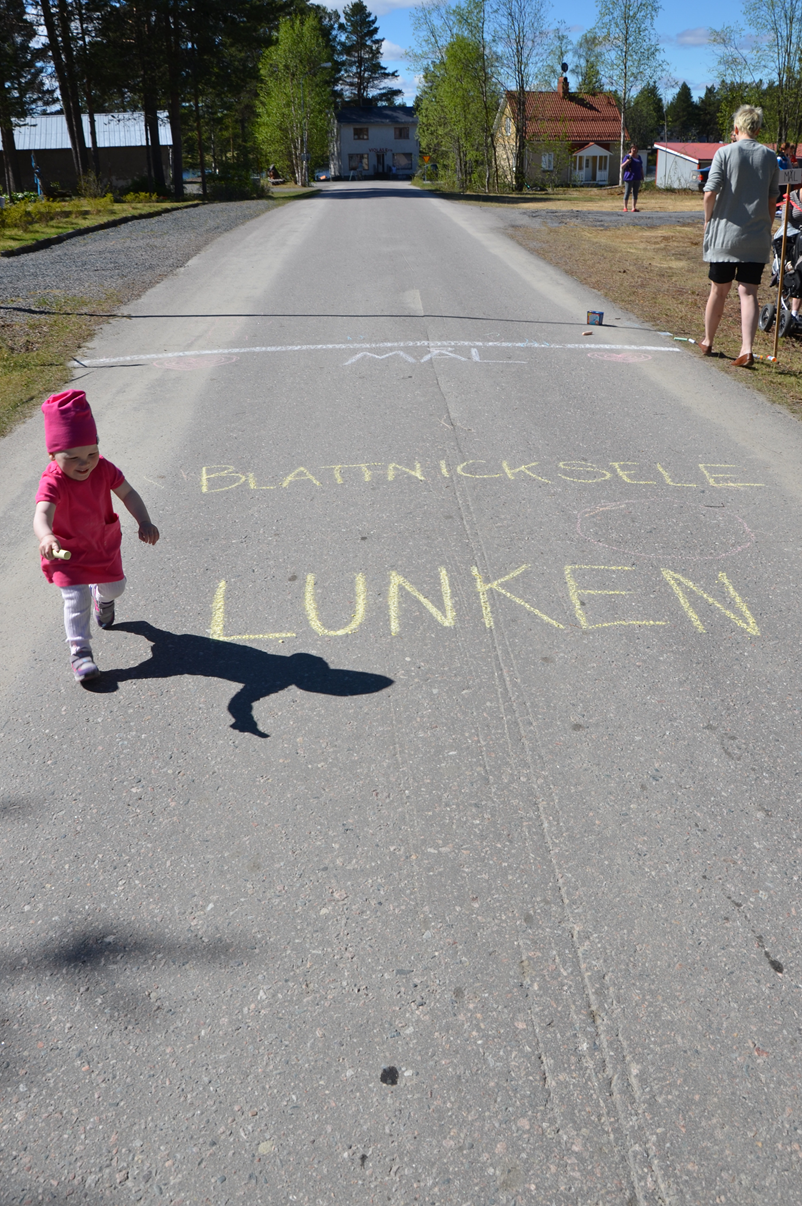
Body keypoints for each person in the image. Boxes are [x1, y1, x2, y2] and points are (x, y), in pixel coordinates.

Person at [33, 389, 160, 683]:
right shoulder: (53, 481)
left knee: (115, 588)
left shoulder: (103, 468)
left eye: (91, 453)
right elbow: (42, 513)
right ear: (53, 455)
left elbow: (128, 493)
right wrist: (46, 536)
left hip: (102, 545)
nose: (85, 463)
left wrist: (144, 520)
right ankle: (80, 654)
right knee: (75, 599)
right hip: (67, 552)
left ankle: (102, 599)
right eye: (73, 457)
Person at [700, 105, 780, 367]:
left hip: (725, 236)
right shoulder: (770, 157)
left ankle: (708, 341)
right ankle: (746, 349)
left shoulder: (724, 153)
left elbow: (710, 192)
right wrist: (766, 227)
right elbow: (772, 201)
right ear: (758, 130)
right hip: (756, 236)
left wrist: (707, 220)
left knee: (718, 290)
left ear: (736, 128)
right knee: (749, 293)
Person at [622, 145, 644, 212]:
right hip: (629, 177)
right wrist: (627, 162)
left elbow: (641, 167)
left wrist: (642, 176)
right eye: (633, 148)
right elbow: (622, 166)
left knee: (635, 193)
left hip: (637, 177)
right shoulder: (627, 157)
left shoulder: (639, 157)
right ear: (630, 149)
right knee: (627, 192)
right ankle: (625, 207)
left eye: (635, 148)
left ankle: (633, 208)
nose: (634, 149)